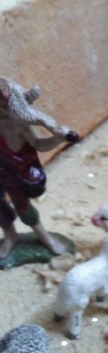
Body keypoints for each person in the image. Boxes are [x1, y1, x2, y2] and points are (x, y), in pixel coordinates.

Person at [0, 76, 78, 258]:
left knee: (23, 206)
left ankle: (45, 237)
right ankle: (10, 236)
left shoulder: (18, 123)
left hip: (16, 171)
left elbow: (39, 144)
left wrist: (57, 138)